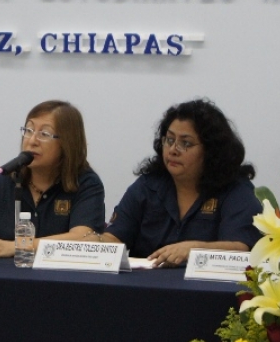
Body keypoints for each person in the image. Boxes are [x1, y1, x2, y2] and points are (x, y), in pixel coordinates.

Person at [101, 99, 261, 267]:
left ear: (210, 150)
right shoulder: (148, 186)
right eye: (169, 140)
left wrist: (194, 249)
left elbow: (240, 249)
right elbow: (114, 237)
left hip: (207, 290)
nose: (173, 150)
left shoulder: (235, 190)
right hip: (145, 287)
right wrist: (92, 244)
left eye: (185, 143)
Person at [0, 100, 105, 258]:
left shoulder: (86, 183)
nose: (32, 141)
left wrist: (19, 246)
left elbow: (85, 238)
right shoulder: (5, 180)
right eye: (28, 130)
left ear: (67, 143)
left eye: (44, 134)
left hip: (61, 280)